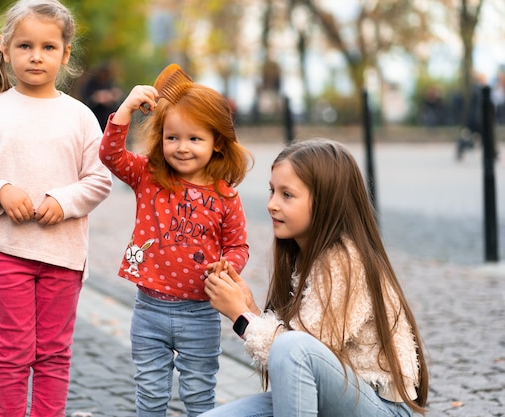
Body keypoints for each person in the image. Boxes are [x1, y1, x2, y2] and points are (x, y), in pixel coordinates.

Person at [0, 1, 113, 416]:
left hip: (64, 255)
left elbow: (98, 180)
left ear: (65, 52)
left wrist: (64, 200)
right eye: (25, 46)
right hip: (5, 252)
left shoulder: (79, 117)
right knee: (13, 351)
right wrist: (1, 192)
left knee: (54, 354)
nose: (36, 56)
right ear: (5, 49)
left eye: (47, 47)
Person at [202, 139, 429, 417]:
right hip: (330, 401)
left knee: (291, 346)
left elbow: (301, 351)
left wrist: (241, 317)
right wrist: (249, 309)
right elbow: (293, 367)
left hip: (381, 408)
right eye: (272, 191)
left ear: (326, 202)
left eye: (287, 195)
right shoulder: (304, 256)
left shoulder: (345, 261)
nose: (272, 204)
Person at [98, 76, 254, 416]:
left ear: (217, 143)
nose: (182, 147)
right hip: (149, 310)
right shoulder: (148, 175)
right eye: (173, 138)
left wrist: (228, 264)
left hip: (200, 313)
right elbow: (110, 155)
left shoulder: (225, 195)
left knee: (199, 395)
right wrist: (126, 109)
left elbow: (238, 245)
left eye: (194, 138)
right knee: (150, 393)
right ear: (161, 138)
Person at [80, 63, 123, 130]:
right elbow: (87, 97)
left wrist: (111, 96)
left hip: (107, 115)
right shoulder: (91, 84)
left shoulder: (109, 83)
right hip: (95, 113)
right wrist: (97, 98)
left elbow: (117, 96)